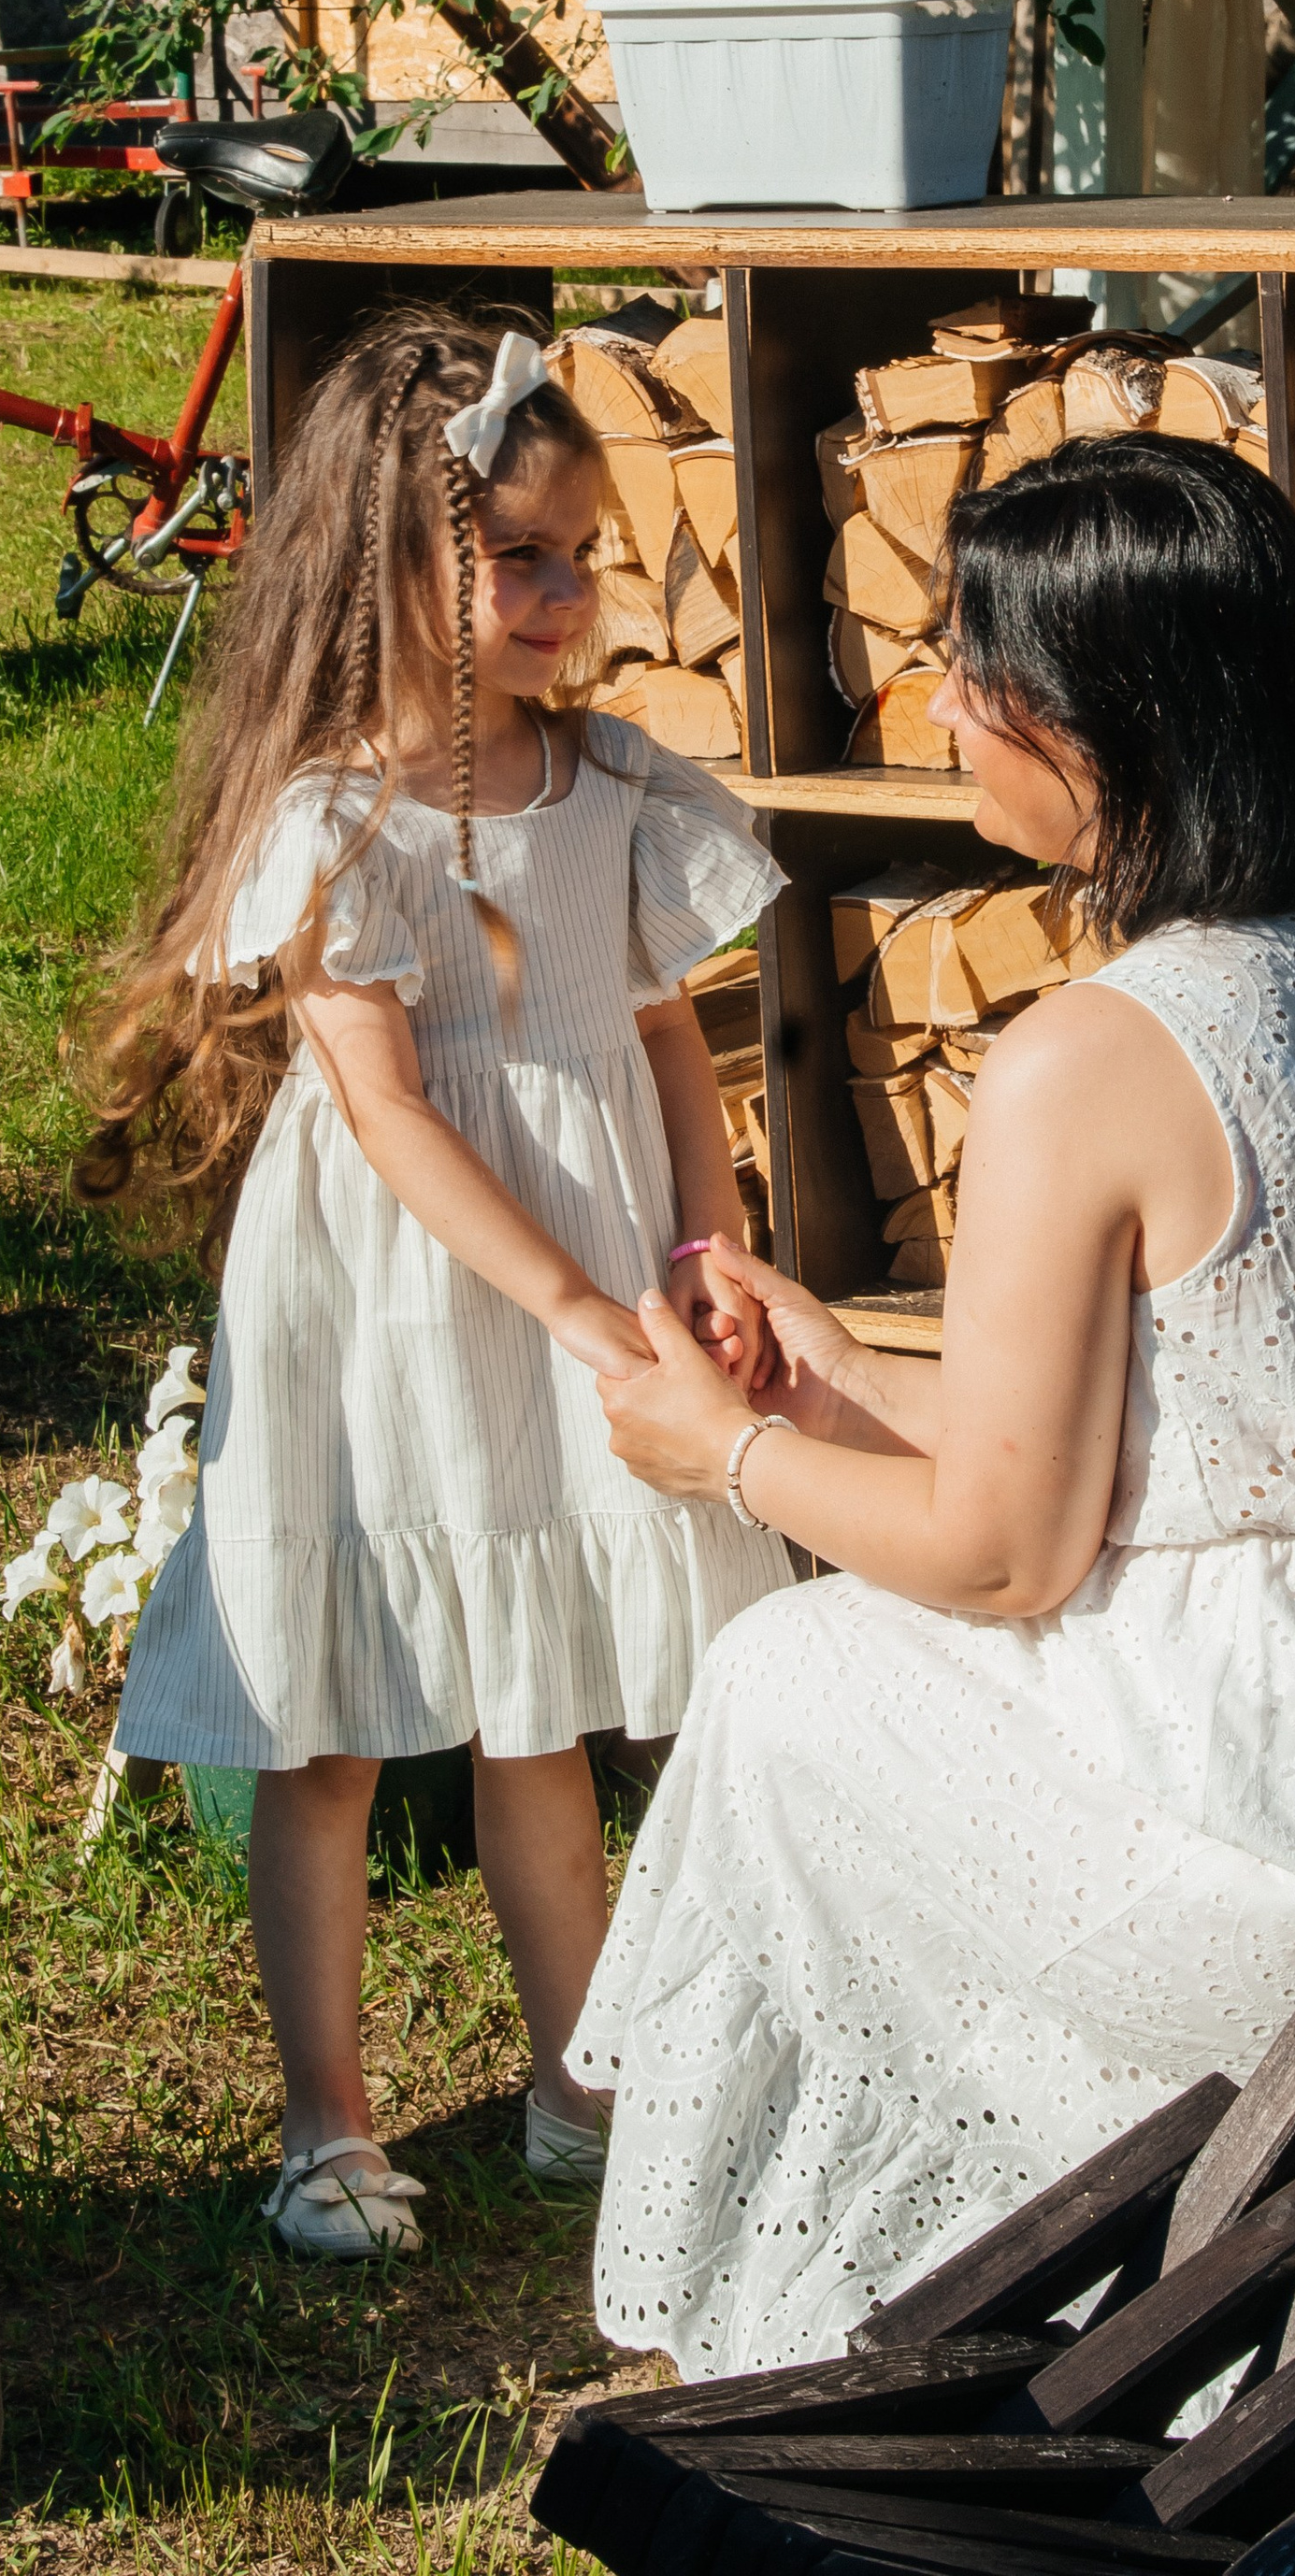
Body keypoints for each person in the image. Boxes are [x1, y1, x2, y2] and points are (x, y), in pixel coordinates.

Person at [579, 430, 1295, 2378]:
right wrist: (835, 1369)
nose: (942, 711)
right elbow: (1252, 1443)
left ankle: (941, 2314)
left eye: (976, 677)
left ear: (1107, 729)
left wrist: (725, 1449)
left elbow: (997, 1553)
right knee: (835, 1669)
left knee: (790, 1681)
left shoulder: (1093, 1049)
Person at [83, 306, 792, 2254]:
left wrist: (701, 1245)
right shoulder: (334, 824)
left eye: (587, 554)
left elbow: (659, 1037)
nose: (570, 594)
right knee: (333, 1720)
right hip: (392, 1296)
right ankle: (327, 2126)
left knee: (537, 1693)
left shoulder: (613, 790)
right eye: (523, 556)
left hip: (584, 1256)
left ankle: (584, 2081)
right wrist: (568, 1304)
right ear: (382, 570)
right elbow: (390, 1119)